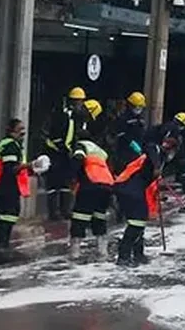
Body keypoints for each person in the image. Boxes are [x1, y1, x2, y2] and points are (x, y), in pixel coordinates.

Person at [0, 118, 31, 264]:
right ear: (12, 131)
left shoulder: (13, 145)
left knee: (10, 215)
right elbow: (10, 168)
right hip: (4, 186)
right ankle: (0, 249)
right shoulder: (10, 145)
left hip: (6, 186)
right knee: (7, 215)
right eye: (20, 129)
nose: (23, 132)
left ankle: (2, 248)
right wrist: (30, 165)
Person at [69, 123, 115, 261]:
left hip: (90, 184)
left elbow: (78, 158)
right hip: (106, 185)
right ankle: (102, 250)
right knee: (99, 216)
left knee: (80, 216)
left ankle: (75, 252)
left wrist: (72, 177)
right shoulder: (100, 150)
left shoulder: (80, 146)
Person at [114, 139, 161, 267]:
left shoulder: (154, 157)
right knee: (137, 221)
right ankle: (124, 256)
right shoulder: (155, 151)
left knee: (138, 221)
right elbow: (150, 147)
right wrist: (157, 167)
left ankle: (137, 253)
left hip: (129, 187)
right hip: (128, 187)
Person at [45, 86, 89, 221]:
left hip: (66, 153)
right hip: (56, 152)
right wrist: (64, 149)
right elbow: (58, 135)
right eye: (78, 101)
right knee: (54, 183)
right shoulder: (62, 115)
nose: (80, 104)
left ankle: (65, 210)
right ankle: (53, 212)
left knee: (66, 182)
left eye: (81, 101)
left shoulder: (77, 117)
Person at [114, 91, 147, 168]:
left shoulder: (141, 119)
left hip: (138, 152)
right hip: (125, 153)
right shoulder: (123, 118)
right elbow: (121, 135)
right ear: (130, 105)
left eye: (140, 106)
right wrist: (132, 143)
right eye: (136, 106)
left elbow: (142, 133)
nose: (138, 109)